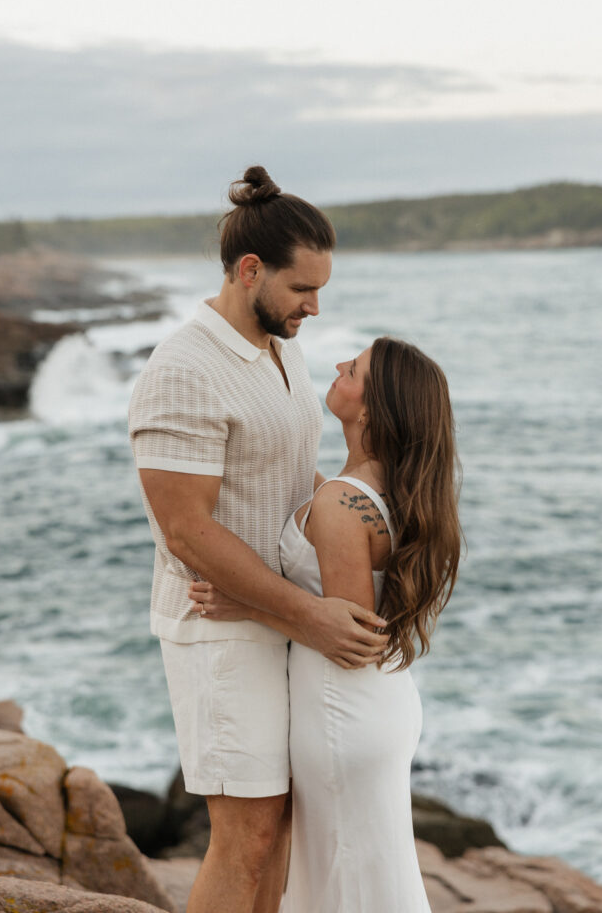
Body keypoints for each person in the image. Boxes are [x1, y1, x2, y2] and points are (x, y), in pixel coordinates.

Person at [128, 166, 388, 913]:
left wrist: (362, 518)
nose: (314, 307)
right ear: (250, 271)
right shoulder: (184, 370)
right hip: (220, 628)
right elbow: (187, 529)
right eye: (302, 288)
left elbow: (286, 474)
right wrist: (308, 615)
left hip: (277, 615)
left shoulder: (280, 348)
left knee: (282, 831)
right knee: (245, 837)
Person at [191, 336, 462, 912]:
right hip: (377, 703)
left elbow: (348, 636)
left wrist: (246, 605)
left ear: (371, 410)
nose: (339, 365)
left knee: (348, 880)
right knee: (366, 873)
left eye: (354, 368)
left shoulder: (342, 502)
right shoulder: (381, 492)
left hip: (343, 707)